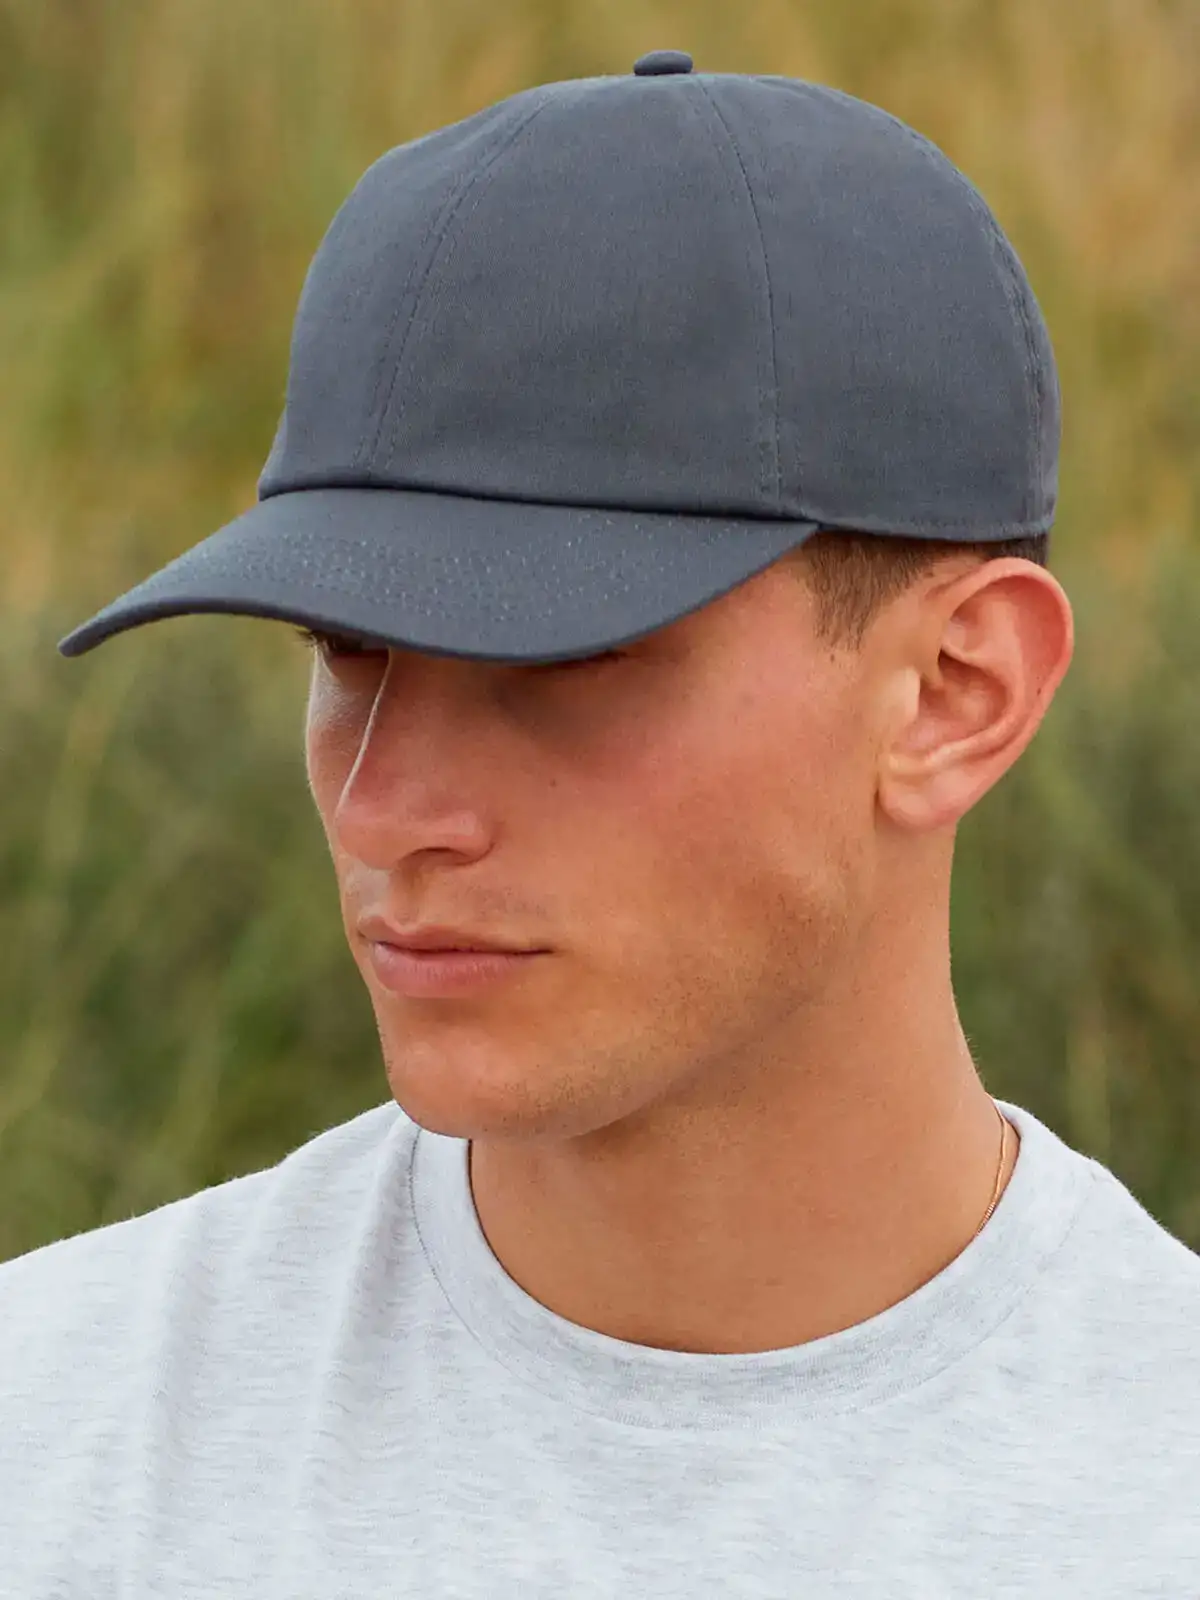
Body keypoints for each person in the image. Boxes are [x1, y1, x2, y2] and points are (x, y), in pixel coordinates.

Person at [4, 51, 1197, 1595]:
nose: (384, 809)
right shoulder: (54, 1445)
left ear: (954, 694)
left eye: (560, 657)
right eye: (346, 648)